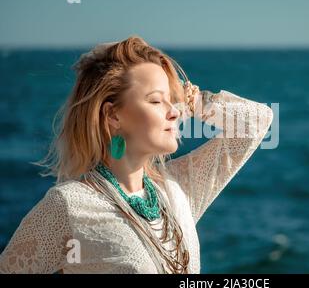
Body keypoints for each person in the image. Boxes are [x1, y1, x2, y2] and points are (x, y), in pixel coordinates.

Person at [0, 36, 273, 273]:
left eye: (172, 100)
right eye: (155, 100)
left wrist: (193, 100)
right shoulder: (69, 204)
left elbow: (257, 123)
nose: (174, 111)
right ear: (113, 115)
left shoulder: (178, 189)